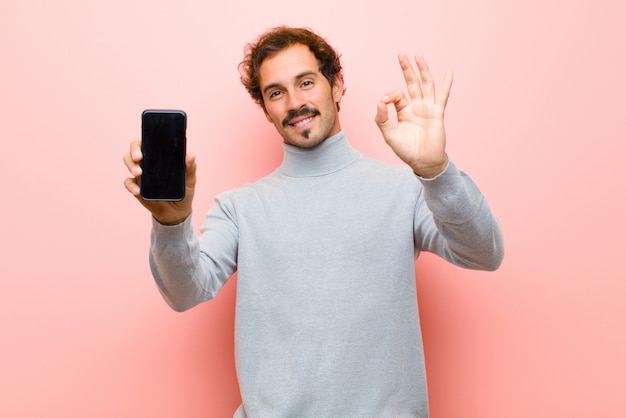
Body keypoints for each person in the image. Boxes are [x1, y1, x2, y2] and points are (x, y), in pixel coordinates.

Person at [123, 26, 503, 418]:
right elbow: (185, 292)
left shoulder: (404, 190)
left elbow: (484, 252)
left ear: (336, 85)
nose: (294, 102)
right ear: (266, 109)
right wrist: (172, 225)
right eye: (276, 92)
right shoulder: (240, 208)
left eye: (306, 82)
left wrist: (437, 171)